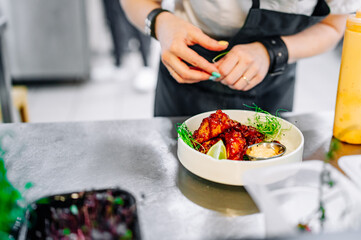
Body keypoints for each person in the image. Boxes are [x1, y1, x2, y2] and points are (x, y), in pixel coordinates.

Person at [120, 0, 360, 116]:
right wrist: (161, 22)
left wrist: (273, 51)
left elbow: (334, 26)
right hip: (186, 84)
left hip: (273, 84)